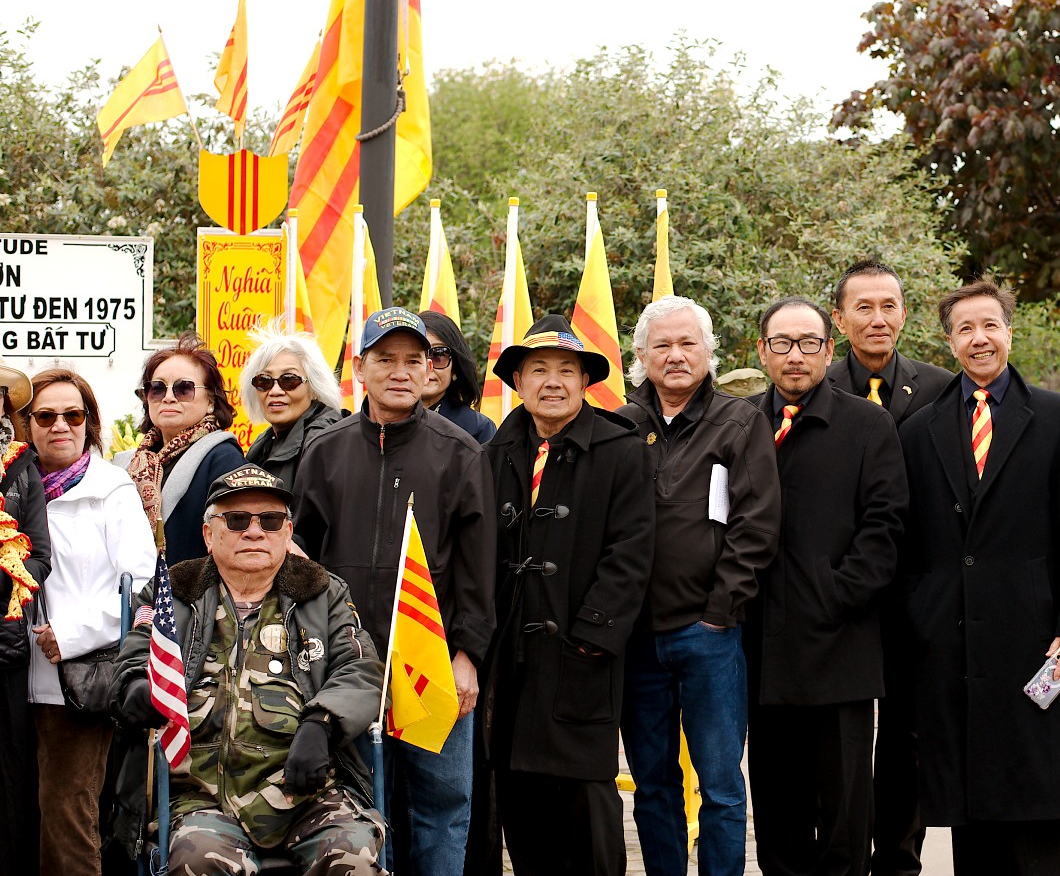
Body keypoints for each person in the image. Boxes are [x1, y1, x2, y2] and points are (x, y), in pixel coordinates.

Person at [897, 278, 1060, 874]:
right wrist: (922, 615)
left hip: (1036, 639)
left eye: (990, 325)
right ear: (949, 342)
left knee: (1036, 806)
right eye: (965, 329)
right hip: (952, 644)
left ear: (1009, 333)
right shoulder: (919, 429)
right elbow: (909, 542)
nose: (979, 338)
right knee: (971, 812)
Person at [292, 307, 496, 875]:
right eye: (386, 359)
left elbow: (480, 570)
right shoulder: (325, 451)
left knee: (441, 808)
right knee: (354, 809)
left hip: (432, 664)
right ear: (360, 368)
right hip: (344, 666)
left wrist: (468, 656)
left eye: (414, 360)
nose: (401, 372)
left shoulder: (461, 452)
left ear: (431, 369)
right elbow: (298, 552)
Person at [112, 464, 384, 875]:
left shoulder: (323, 593)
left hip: (308, 794)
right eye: (237, 520)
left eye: (270, 521)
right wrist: (136, 686)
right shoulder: (173, 591)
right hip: (199, 797)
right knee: (198, 860)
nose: (255, 532)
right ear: (209, 535)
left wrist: (323, 722)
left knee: (354, 854)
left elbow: (361, 669)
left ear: (287, 533)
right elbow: (135, 656)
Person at [478, 315, 654, 874]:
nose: (552, 382)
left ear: (584, 381)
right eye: (538, 370)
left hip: (582, 655)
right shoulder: (495, 454)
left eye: (566, 371)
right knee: (520, 801)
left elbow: (632, 551)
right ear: (518, 381)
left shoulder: (622, 451)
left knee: (587, 805)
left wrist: (593, 636)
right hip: (509, 658)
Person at [616, 295, 781, 876]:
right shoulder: (619, 425)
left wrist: (719, 611)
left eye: (688, 343)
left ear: (708, 352)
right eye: (662, 345)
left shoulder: (739, 422)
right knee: (652, 783)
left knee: (721, 785)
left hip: (709, 635)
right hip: (636, 639)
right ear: (641, 357)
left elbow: (756, 524)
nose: (676, 355)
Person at [748, 297, 907, 876]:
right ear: (762, 351)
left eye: (809, 343)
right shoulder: (741, 423)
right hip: (760, 649)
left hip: (840, 648)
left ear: (827, 348)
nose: (796, 355)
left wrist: (832, 595)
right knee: (778, 815)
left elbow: (884, 529)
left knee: (844, 819)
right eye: (782, 343)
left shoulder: (868, 425)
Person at [825, 259, 952, 876]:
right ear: (839, 319)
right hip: (841, 592)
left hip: (915, 592)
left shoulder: (940, 387)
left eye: (889, 306)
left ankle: (899, 860)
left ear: (904, 313)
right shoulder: (818, 386)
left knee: (908, 736)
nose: (878, 319)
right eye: (864, 307)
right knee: (840, 739)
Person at [24, 368, 156, 875]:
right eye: (46, 416)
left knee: (68, 816)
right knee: (21, 813)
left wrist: (72, 635)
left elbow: (141, 586)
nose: (61, 426)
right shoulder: (12, 486)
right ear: (26, 424)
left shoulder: (110, 489)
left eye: (73, 415)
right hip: (13, 675)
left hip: (75, 683)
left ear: (89, 422)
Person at [122, 332, 245, 564]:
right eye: (157, 388)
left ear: (211, 401)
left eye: (184, 389)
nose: (168, 398)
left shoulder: (225, 460)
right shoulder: (133, 463)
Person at [0, 356, 49, 876]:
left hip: (5, 639)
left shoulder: (22, 469)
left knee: (10, 771)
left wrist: (6, 575)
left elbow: (40, 555)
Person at [239, 319, 344, 490]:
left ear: (314, 388)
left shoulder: (324, 442)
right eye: (264, 380)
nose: (275, 391)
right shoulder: (264, 445)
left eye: (289, 380)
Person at [420, 310, 495, 445]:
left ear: (455, 366)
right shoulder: (384, 421)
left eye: (438, 355)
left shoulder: (478, 428)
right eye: (415, 358)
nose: (427, 367)